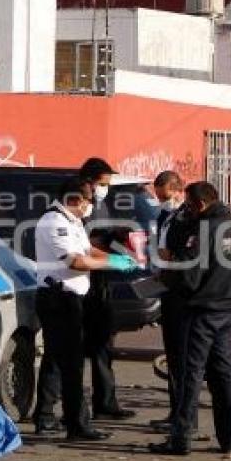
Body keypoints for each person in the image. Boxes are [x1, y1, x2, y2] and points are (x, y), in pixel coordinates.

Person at [34, 177, 137, 440]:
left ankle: (46, 417)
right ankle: (76, 425)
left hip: (72, 299)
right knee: (71, 364)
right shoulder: (54, 222)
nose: (91, 205)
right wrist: (110, 265)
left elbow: (87, 249)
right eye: (88, 200)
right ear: (75, 199)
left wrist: (113, 257)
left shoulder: (73, 220)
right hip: (59, 300)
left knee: (58, 360)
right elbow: (75, 262)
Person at [150, 182, 231, 457]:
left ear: (200, 204)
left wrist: (168, 267)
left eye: (190, 206)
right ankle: (229, 438)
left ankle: (180, 438)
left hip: (205, 307)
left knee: (190, 372)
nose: (188, 210)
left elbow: (189, 275)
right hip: (230, 306)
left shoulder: (204, 229)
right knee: (222, 372)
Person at [79, 157, 137, 421]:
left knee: (104, 345)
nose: (106, 188)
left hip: (101, 282)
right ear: (88, 181)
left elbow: (99, 239)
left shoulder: (100, 205)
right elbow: (82, 246)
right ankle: (66, 410)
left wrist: (117, 237)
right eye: (103, 183)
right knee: (73, 351)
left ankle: (105, 402)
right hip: (81, 284)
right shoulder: (78, 206)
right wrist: (110, 249)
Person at [147, 171, 197, 433]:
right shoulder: (165, 216)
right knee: (174, 355)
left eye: (164, 196)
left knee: (184, 357)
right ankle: (175, 410)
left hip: (182, 294)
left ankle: (185, 416)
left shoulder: (188, 218)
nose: (161, 200)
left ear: (178, 191)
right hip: (167, 287)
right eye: (157, 195)